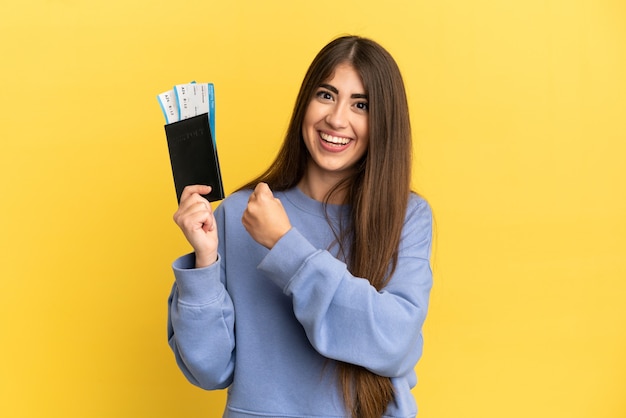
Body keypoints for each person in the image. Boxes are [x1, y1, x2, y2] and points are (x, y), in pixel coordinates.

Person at [168, 35, 433, 418]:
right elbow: (208, 369)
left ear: (383, 122)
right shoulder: (240, 213)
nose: (337, 118)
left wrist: (284, 244)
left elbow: (392, 342)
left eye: (361, 105)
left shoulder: (407, 215)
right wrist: (205, 263)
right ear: (305, 103)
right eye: (326, 95)